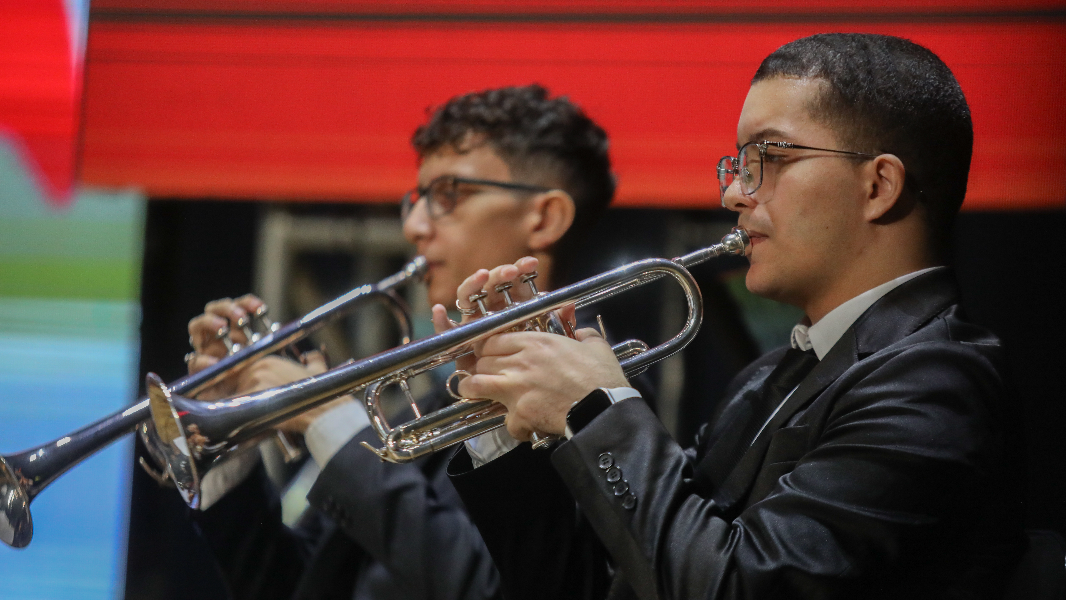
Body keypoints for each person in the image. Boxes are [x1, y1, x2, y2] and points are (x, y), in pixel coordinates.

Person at [444, 33, 1026, 599]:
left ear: (878, 186)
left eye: (769, 157)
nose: (734, 194)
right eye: (739, 165)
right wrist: (506, 416)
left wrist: (596, 407)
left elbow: (735, 585)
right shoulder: (767, 379)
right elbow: (605, 581)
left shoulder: (935, 382)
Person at [182, 84, 616, 600]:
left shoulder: (600, 392)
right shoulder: (436, 399)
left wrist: (329, 421)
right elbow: (294, 586)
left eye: (449, 195)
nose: (412, 225)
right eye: (417, 199)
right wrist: (231, 442)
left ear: (543, 218)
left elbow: (490, 588)